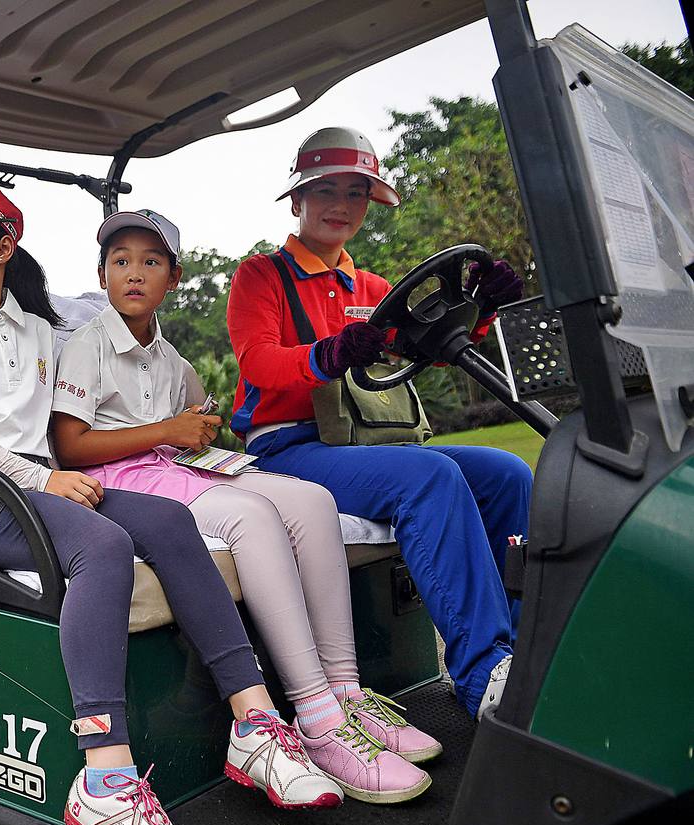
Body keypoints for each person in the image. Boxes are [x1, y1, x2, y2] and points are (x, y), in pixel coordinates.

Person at [0, 186, 342, 825]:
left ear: (4, 246)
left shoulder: (43, 332)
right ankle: (104, 782)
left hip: (38, 488)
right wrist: (40, 481)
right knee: (99, 546)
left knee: (166, 519)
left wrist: (178, 412)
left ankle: (253, 721)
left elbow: (113, 345)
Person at [52, 209, 439, 804]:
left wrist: (198, 430)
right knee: (252, 517)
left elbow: (198, 416)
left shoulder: (168, 356)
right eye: (120, 261)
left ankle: (347, 694)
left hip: (169, 466)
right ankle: (316, 718)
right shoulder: (86, 346)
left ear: (174, 278)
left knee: (312, 501)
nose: (134, 274)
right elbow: (69, 446)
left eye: (151, 262)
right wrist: (170, 430)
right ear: (101, 274)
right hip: (117, 478)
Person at [225, 127, 532, 718]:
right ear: (297, 200)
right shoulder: (262, 276)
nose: (341, 205)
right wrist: (329, 353)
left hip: (360, 442)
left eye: (356, 194)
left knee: (506, 472)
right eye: (327, 191)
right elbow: (258, 361)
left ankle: (523, 648)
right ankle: (483, 673)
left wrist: (482, 308)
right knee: (428, 477)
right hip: (287, 448)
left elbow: (435, 347)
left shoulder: (372, 289)